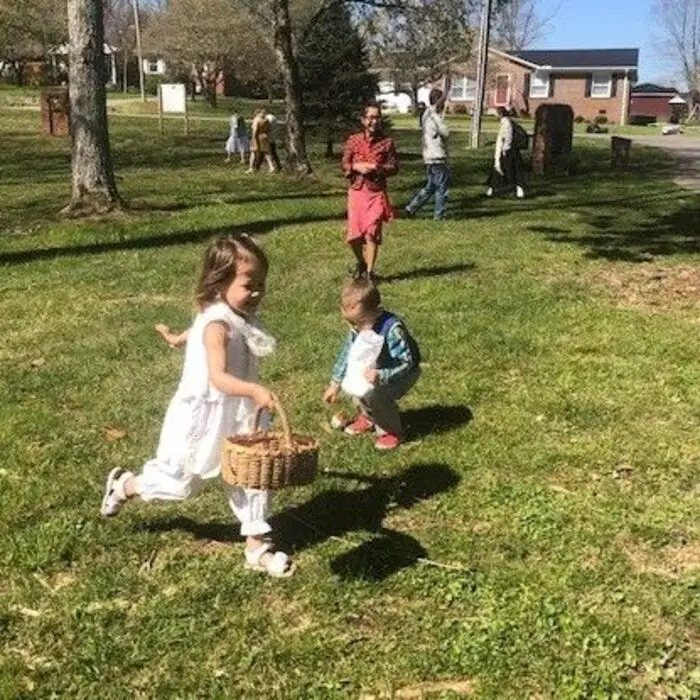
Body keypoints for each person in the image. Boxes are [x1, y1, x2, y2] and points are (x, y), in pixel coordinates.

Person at [99, 235, 294, 578]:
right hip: (202, 417)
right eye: (249, 284)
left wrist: (177, 337)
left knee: (250, 474)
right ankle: (125, 485)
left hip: (237, 414)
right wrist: (254, 389)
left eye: (262, 284)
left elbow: (200, 327)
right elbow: (218, 376)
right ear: (220, 283)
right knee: (180, 484)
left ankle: (257, 547)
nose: (258, 292)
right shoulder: (217, 324)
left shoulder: (226, 314)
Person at [323, 278, 421, 451]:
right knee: (356, 382)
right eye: (351, 323)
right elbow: (347, 355)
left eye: (359, 322)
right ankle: (369, 417)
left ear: (377, 311)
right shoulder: (358, 327)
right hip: (373, 368)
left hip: (401, 372)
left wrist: (382, 375)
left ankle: (391, 431)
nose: (355, 328)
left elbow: (407, 362)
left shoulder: (391, 329)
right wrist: (335, 383)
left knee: (376, 394)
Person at [341, 103, 399, 283]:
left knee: (371, 233)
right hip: (357, 191)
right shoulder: (353, 140)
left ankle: (370, 273)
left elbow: (394, 167)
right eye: (371, 118)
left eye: (377, 117)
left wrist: (377, 168)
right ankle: (361, 262)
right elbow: (344, 164)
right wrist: (355, 167)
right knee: (354, 236)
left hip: (376, 192)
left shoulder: (387, 143)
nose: (374, 121)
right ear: (363, 120)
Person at [405, 87, 450, 220]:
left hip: (429, 156)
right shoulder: (433, 116)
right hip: (437, 156)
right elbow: (445, 132)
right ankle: (439, 215)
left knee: (431, 186)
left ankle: (411, 207)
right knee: (442, 187)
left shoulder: (426, 114)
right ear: (438, 102)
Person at [486, 107, 526, 199]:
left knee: (503, 169)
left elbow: (508, 137)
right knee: (513, 171)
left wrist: (504, 149)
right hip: (509, 150)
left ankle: (492, 189)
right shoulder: (507, 122)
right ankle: (492, 189)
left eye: (496, 114)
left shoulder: (506, 123)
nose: (495, 116)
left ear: (500, 114)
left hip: (508, 151)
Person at [247, 109, 277, 173]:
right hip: (264, 136)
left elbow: (255, 130)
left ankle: (251, 168)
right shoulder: (266, 120)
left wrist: (254, 139)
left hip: (258, 137)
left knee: (253, 152)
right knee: (266, 152)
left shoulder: (257, 120)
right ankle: (271, 167)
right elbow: (268, 129)